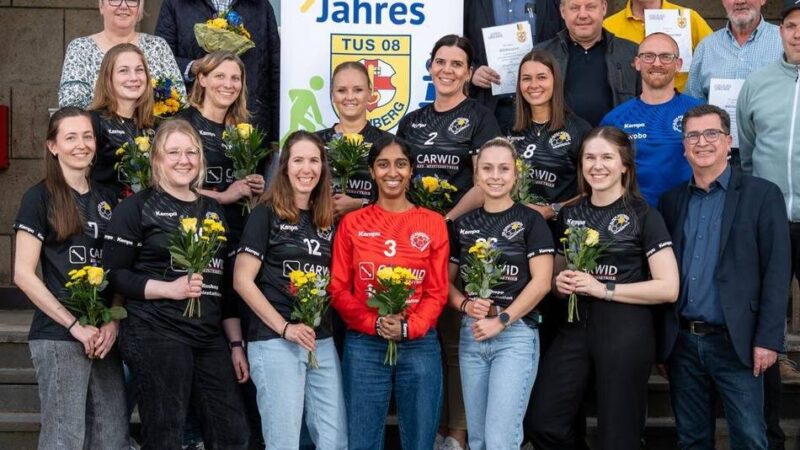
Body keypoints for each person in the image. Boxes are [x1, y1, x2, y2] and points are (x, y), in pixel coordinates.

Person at [529, 126, 680, 450]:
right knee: (544, 423)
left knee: (618, 437)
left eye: (607, 157)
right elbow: (558, 274)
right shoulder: (570, 213)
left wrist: (605, 289)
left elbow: (668, 287)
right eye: (590, 158)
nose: (597, 165)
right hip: (574, 326)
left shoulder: (644, 215)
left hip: (625, 328)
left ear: (625, 165)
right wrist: (560, 283)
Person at [102, 119, 250, 448]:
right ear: (157, 159)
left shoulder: (212, 209)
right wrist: (169, 289)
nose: (184, 159)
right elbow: (114, 274)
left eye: (191, 152)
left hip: (208, 335)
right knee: (166, 432)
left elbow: (223, 285)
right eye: (174, 152)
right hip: (156, 330)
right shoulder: (136, 208)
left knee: (233, 433)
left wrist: (236, 344)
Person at [658, 104, 790, 450]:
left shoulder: (762, 195)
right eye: (693, 136)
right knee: (692, 439)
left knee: (749, 438)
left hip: (738, 341)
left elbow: (777, 272)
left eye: (711, 133)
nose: (702, 142)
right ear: (684, 145)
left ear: (729, 141)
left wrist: (769, 339)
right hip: (683, 342)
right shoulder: (672, 202)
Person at [396, 34, 501, 450]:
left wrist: (446, 220)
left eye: (457, 64)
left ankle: (457, 432)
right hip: (415, 242)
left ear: (468, 72)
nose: (447, 70)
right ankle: (430, 427)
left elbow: (486, 178)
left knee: (455, 336)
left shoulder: (479, 116)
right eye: (441, 62)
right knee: (423, 335)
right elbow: (396, 176)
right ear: (429, 66)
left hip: (463, 238)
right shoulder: (413, 121)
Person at [13, 107, 127, 450]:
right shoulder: (39, 197)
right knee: (64, 439)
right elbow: (22, 273)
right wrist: (74, 325)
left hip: (103, 336)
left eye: (88, 136)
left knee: (111, 436)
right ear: (53, 146)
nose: (82, 144)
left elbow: (119, 268)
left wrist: (113, 323)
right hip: (60, 335)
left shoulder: (109, 198)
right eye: (71, 137)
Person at [329, 136, 450, 450]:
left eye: (400, 164)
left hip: (420, 344)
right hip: (365, 344)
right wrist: (375, 324)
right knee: (362, 442)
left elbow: (437, 291)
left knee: (420, 442)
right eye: (383, 164)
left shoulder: (433, 223)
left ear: (411, 171)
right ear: (371, 171)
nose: (391, 172)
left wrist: (409, 327)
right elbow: (339, 288)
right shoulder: (352, 223)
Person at [234, 131, 346, 450]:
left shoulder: (328, 220)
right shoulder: (265, 213)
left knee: (335, 440)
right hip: (275, 341)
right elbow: (242, 280)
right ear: (284, 167)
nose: (306, 168)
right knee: (283, 443)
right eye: (298, 160)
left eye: (314, 160)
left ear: (323, 168)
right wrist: (285, 328)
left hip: (319, 339)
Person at [448, 137, 554, 450]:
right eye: (488, 168)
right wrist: (466, 305)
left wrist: (503, 319)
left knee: (500, 441)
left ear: (515, 175)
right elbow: (445, 285)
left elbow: (542, 282)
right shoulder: (463, 225)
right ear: (477, 175)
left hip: (514, 335)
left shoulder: (530, 221)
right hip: (473, 334)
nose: (496, 176)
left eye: (504, 168)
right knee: (479, 439)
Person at [155, 0, 281, 141]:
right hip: (192, 124)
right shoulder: (176, 4)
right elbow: (161, 60)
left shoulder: (261, 6)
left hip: (250, 122)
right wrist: (192, 67)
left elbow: (275, 71)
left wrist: (276, 138)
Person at [601, 33, 703, 206]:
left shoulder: (699, 113)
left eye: (666, 57)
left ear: (678, 64)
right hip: (634, 217)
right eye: (648, 56)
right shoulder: (616, 119)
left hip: (688, 214)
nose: (657, 63)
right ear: (637, 63)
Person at [178, 51, 265, 245]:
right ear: (202, 78)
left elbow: (240, 183)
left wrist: (253, 184)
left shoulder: (244, 129)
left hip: (236, 230)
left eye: (235, 78)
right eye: (219, 76)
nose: (228, 85)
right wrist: (222, 197)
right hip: (192, 228)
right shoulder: (182, 123)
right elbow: (165, 185)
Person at [509, 49, 592, 230]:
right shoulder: (507, 127)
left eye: (541, 77)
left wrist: (552, 210)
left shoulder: (579, 129)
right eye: (526, 78)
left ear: (555, 81)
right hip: (514, 230)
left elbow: (593, 189)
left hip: (561, 230)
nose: (533, 85)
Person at [59, 0, 185, 109]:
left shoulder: (158, 47)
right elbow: (71, 106)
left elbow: (179, 100)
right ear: (101, 6)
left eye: (131, 0)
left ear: (139, 8)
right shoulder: (81, 48)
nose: (124, 6)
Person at [464, 0, 564, 133]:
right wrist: (472, 71)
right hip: (489, 107)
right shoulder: (470, 3)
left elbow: (563, 43)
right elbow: (459, 43)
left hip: (540, 109)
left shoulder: (552, 3)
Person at [534, 0, 640, 126]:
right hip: (558, 141)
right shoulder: (542, 54)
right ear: (563, 11)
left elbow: (647, 104)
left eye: (591, 7)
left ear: (604, 8)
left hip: (616, 141)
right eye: (574, 8)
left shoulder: (631, 52)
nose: (583, 15)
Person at [316, 61, 389, 217]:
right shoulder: (315, 142)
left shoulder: (388, 143)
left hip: (373, 233)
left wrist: (360, 204)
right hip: (322, 234)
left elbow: (401, 199)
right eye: (342, 90)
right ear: (332, 95)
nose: (350, 97)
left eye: (358, 90)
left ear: (370, 93)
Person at [88, 43, 156, 200]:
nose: (134, 78)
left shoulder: (156, 125)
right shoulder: (92, 121)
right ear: (108, 77)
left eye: (139, 70)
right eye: (123, 71)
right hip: (104, 214)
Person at [603, 0, 713, 92]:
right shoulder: (607, 26)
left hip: (681, 110)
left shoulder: (689, 18)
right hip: (630, 109)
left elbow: (716, 59)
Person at [685, 0, 782, 101]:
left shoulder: (785, 42)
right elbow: (693, 103)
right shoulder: (706, 47)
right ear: (723, 2)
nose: (740, 1)